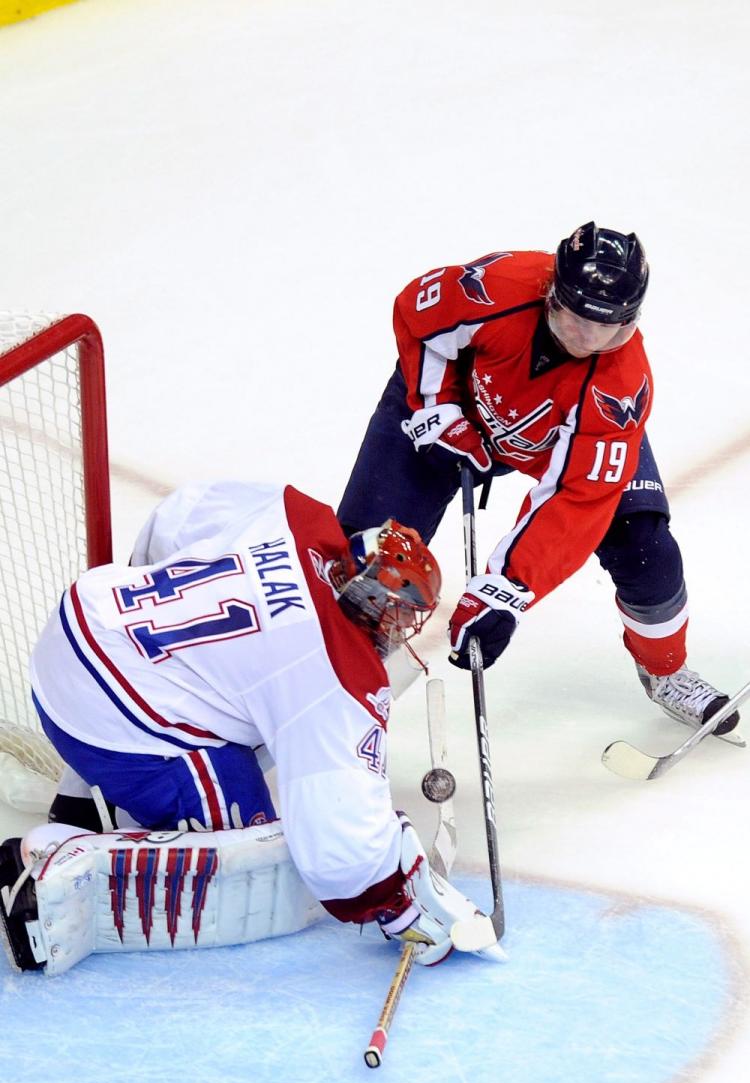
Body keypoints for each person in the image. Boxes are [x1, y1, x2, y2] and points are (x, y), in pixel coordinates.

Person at [0, 480, 504, 975]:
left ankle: (81, 799)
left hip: (81, 624)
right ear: (369, 600)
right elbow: (336, 848)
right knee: (251, 864)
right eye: (396, 612)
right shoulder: (335, 671)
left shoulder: (298, 517)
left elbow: (177, 515)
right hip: (103, 713)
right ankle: (51, 864)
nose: (398, 627)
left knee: (233, 694)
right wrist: (397, 904)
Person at [338, 222, 740, 738]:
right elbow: (420, 314)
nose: (588, 339)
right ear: (553, 293)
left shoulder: (620, 388)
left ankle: (667, 671)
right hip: (449, 413)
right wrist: (437, 408)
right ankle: (331, 681)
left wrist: (505, 588)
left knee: (647, 549)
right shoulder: (499, 287)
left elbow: (579, 499)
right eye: (577, 320)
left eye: (608, 328)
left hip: (563, 442)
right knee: (364, 559)